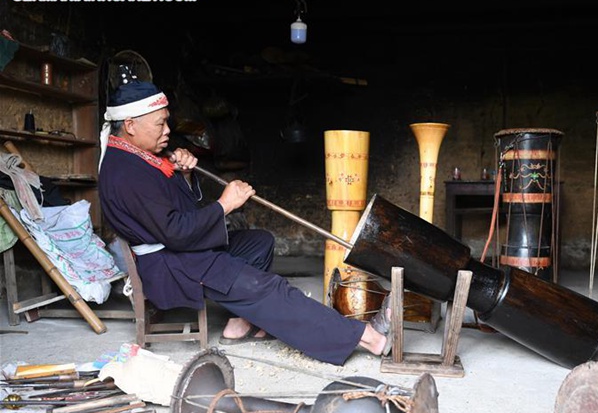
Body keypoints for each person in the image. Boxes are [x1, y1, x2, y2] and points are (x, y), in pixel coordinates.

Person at [98, 77, 390, 365]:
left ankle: (238, 324)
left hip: (183, 250)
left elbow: (171, 210)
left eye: (166, 121)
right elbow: (175, 231)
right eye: (160, 124)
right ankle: (366, 337)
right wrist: (225, 204)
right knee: (268, 288)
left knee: (258, 243)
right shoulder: (126, 173)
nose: (168, 131)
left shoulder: (137, 156)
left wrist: (184, 174)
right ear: (131, 125)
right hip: (173, 263)